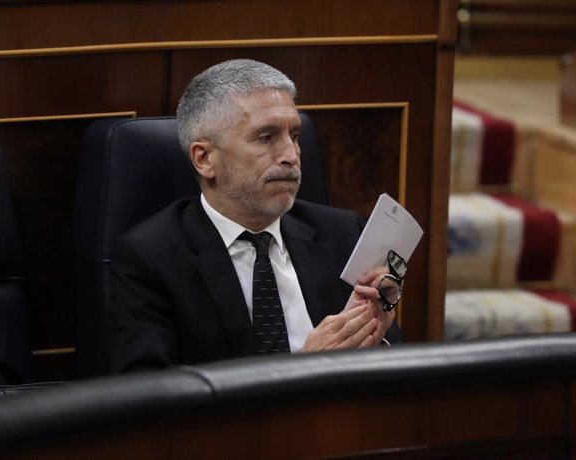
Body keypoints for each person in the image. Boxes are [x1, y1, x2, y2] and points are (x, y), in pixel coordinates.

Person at [109, 59, 403, 373]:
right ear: (204, 158)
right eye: (266, 137)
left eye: (295, 136)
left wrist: (376, 335)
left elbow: (396, 366)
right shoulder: (151, 258)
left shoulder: (342, 233)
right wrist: (304, 370)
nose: (291, 155)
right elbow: (152, 398)